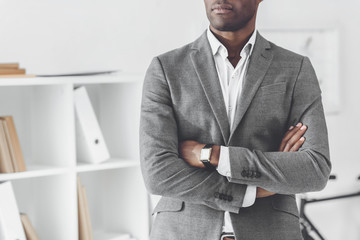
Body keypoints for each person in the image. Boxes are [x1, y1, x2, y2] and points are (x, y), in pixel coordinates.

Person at [140, 0, 331, 239]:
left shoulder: (296, 68)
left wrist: (214, 155)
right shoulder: (166, 68)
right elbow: (158, 174)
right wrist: (252, 191)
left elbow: (315, 169)